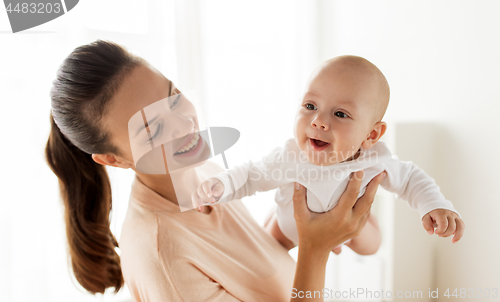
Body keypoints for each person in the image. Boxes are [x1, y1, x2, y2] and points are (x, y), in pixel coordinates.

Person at [45, 40, 385, 301]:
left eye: (173, 96)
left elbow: (249, 264)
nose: (184, 125)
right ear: (113, 159)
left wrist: (302, 219)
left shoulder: (199, 170)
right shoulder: (163, 257)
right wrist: (316, 248)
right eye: (152, 129)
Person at [193, 56, 465, 255]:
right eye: (310, 106)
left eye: (340, 114)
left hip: (346, 231)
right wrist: (222, 185)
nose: (319, 121)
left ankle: (356, 229)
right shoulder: (291, 156)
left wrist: (435, 205)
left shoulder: (373, 160)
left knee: (370, 243)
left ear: (371, 135)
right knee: (266, 248)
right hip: (289, 227)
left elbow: (410, 180)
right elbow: (251, 176)